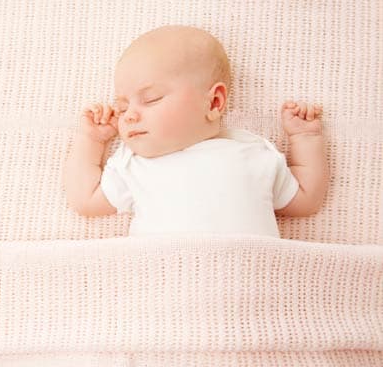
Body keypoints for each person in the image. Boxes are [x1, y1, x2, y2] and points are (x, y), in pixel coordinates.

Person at [62, 25, 328, 238]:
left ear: (214, 102)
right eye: (122, 107)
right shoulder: (135, 164)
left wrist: (305, 138)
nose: (129, 115)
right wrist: (91, 140)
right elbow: (86, 200)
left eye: (151, 99)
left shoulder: (252, 152)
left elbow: (306, 200)